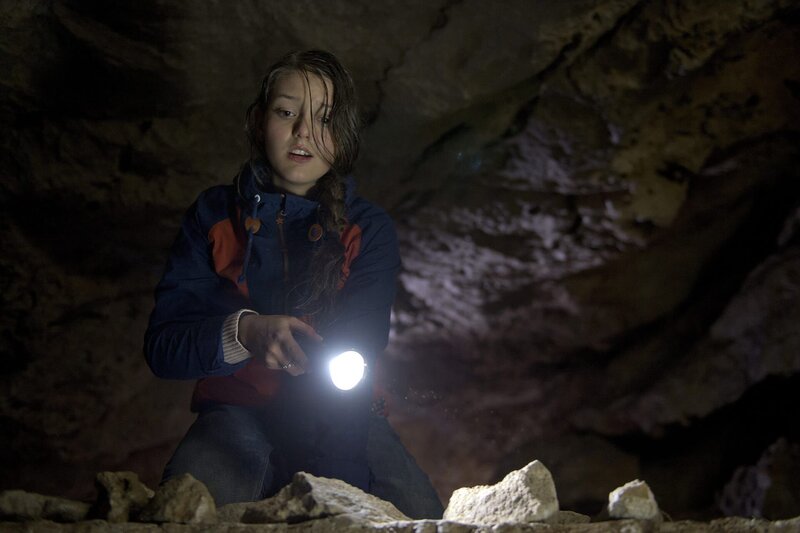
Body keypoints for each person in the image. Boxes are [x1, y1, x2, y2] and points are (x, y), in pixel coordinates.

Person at [143, 50, 443, 519]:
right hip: (237, 410)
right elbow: (164, 346)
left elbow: (359, 347)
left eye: (324, 119)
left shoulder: (368, 229)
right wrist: (244, 334)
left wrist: (338, 491)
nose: (303, 132)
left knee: (420, 515)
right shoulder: (213, 216)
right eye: (286, 112)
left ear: (344, 138)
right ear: (260, 121)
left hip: (345, 414)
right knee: (183, 513)